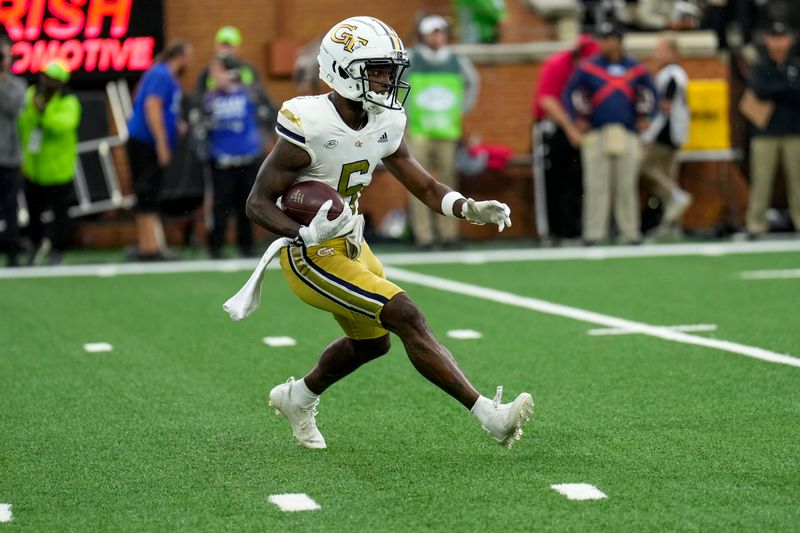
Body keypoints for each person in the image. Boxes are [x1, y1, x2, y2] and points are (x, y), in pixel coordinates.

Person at [243, 16, 533, 449]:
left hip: (352, 243)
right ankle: (490, 416)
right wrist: (301, 233)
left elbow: (426, 186)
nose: (387, 79)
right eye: (376, 70)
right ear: (343, 69)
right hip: (310, 253)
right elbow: (257, 203)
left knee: (373, 345)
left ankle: (298, 397)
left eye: (389, 70)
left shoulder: (384, 119)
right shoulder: (309, 122)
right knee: (405, 314)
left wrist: (469, 208)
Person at [564, 22, 657, 245]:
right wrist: (577, 120)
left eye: (609, 39)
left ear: (618, 41)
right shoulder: (589, 67)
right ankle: (594, 233)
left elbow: (651, 93)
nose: (604, 43)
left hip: (626, 131)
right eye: (602, 39)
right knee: (596, 186)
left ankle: (630, 232)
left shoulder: (635, 67)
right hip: (597, 131)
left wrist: (647, 117)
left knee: (626, 185)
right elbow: (570, 94)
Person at [404, 15, 479, 250]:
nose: (436, 37)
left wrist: (461, 108)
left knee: (448, 182)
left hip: (447, 130)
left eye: (440, 32)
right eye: (431, 32)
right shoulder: (411, 58)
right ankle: (423, 235)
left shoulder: (458, 60)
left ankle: (448, 234)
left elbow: (473, 83)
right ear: (423, 35)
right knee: (417, 182)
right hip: (418, 129)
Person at [126, 39, 192, 261]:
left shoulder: (161, 75)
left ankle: (149, 245)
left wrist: (175, 124)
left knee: (148, 192)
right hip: (146, 143)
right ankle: (149, 247)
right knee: (147, 193)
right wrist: (162, 143)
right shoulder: (162, 74)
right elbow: (151, 106)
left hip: (145, 141)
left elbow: (142, 98)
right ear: (181, 56)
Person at [531, 33, 599, 243]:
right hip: (551, 128)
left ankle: (571, 229)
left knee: (576, 179)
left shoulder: (591, 70)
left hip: (576, 128)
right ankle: (549, 232)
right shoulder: (557, 65)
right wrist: (571, 129)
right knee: (551, 180)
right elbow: (547, 100)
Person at [17, 61, 81, 266]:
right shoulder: (30, 94)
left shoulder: (69, 102)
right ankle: (35, 246)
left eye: (52, 78)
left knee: (60, 213)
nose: (47, 81)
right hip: (33, 167)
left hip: (58, 169)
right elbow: (23, 122)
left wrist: (43, 113)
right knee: (33, 213)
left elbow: (63, 125)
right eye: (45, 76)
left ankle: (57, 250)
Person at [202, 55, 263, 258]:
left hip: (247, 159)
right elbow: (202, 127)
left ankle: (246, 246)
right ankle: (216, 247)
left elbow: (264, 117)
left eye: (217, 71)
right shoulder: (210, 98)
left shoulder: (249, 93)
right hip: (221, 161)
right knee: (220, 206)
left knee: (246, 205)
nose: (214, 76)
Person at [744, 22, 800, 237]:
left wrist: (779, 90)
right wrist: (787, 87)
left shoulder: (795, 64)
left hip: (795, 131)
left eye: (782, 37)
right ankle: (755, 225)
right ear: (767, 40)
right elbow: (759, 90)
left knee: (797, 182)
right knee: (761, 181)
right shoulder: (760, 66)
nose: (778, 43)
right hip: (765, 132)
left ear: (790, 40)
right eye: (774, 38)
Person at [640, 35, 693, 232]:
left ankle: (674, 196)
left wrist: (647, 125)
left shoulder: (671, 74)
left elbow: (664, 106)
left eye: (661, 50)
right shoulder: (672, 73)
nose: (656, 54)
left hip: (665, 132)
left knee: (644, 166)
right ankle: (670, 225)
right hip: (673, 132)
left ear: (672, 52)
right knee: (667, 176)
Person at [194, 26, 276, 139]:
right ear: (215, 47)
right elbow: (198, 100)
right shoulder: (207, 73)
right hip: (217, 133)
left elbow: (261, 98)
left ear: (238, 47)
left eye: (229, 46)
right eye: (222, 45)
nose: (225, 50)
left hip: (246, 133)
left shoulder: (249, 70)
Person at [0, 36, 26, 267]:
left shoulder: (17, 85)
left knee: (10, 208)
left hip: (9, 157)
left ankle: (12, 253)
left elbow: (12, 107)